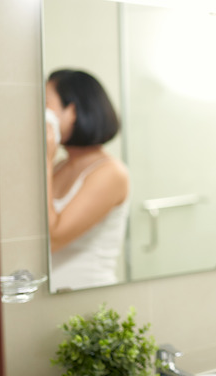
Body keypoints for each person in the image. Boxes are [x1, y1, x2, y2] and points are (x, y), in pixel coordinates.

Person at [45, 69, 129, 291]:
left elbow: (51, 240)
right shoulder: (60, 166)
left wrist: (45, 158)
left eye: (46, 104)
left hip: (89, 301)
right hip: (55, 299)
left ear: (71, 111)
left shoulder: (110, 173)